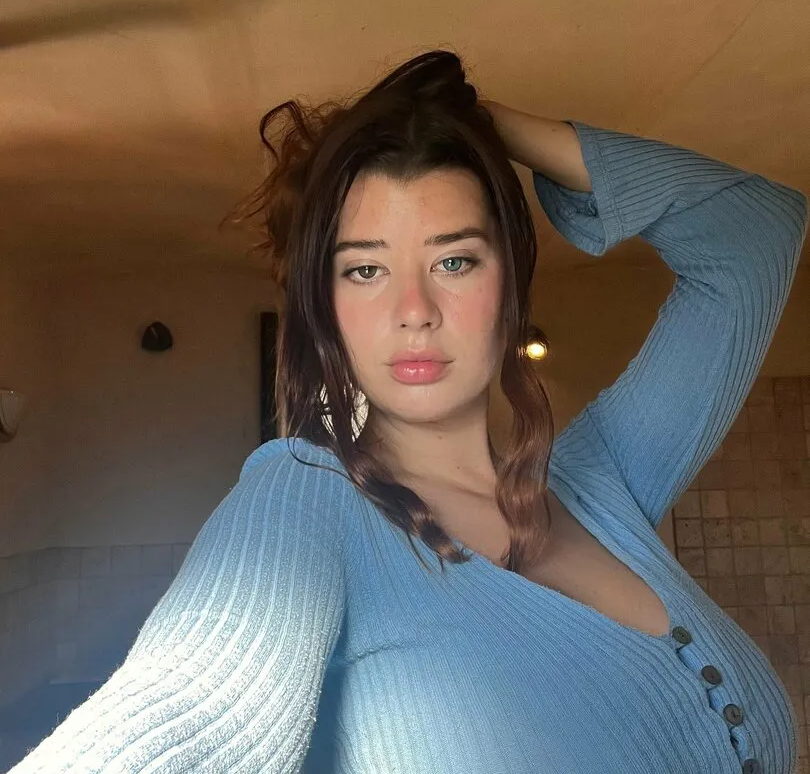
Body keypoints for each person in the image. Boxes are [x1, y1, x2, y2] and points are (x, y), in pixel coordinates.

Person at [9, 49, 807, 774]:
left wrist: (479, 125)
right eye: (365, 270)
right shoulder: (306, 502)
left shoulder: (604, 478)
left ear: (509, 281)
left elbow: (756, 231)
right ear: (325, 306)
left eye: (454, 260)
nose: (414, 310)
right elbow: (186, 708)